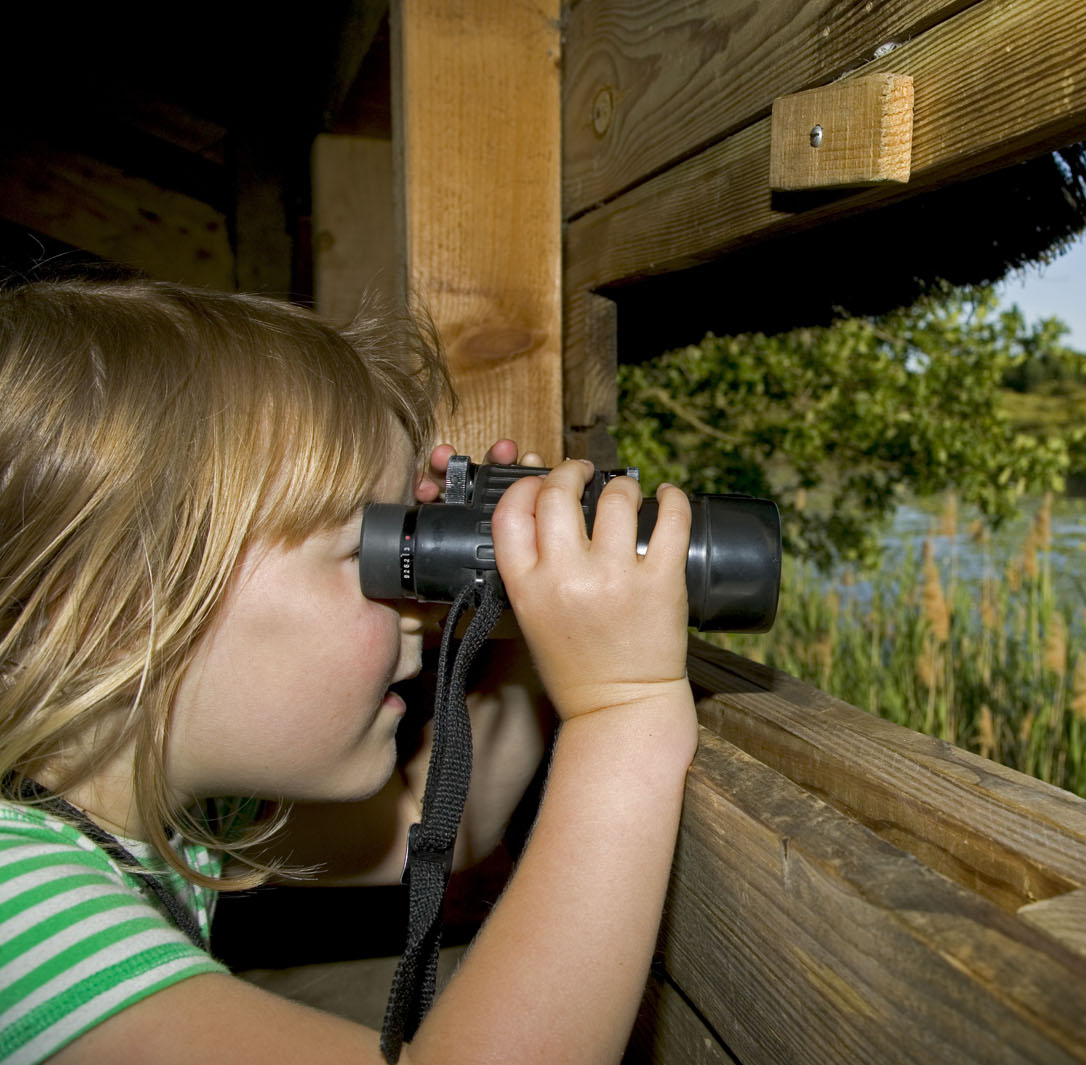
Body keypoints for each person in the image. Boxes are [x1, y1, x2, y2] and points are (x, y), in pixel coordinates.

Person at [0, 278, 697, 1064]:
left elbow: (431, 827)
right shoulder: (14, 907)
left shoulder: (158, 813)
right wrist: (623, 711)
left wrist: (523, 614)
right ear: (124, 611)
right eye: (365, 554)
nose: (411, 598)